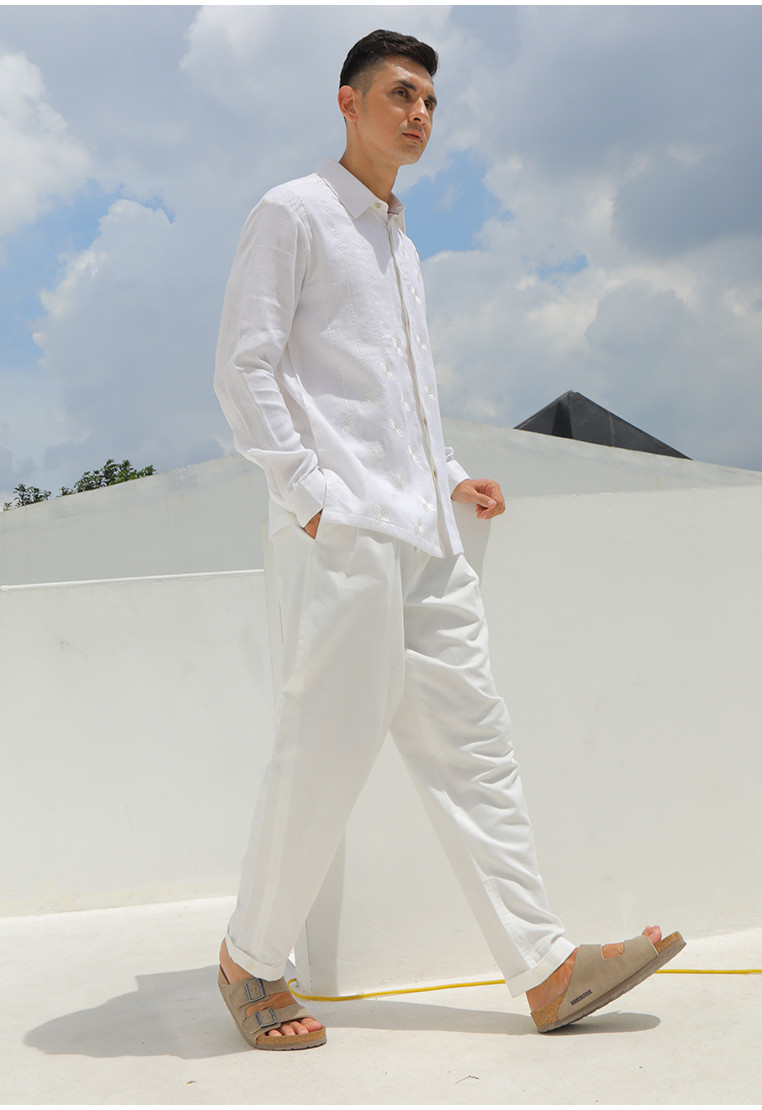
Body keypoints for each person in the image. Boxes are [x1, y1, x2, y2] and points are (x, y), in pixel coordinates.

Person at [213, 29, 684, 1050]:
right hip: (345, 532)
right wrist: (310, 496)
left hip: (424, 532)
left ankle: (546, 969)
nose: (419, 114)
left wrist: (447, 475)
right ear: (348, 102)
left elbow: (396, 394)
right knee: (325, 749)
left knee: (478, 748)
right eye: (400, 94)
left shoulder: (401, 243)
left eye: (430, 100)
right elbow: (245, 365)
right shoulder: (294, 212)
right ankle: (250, 959)